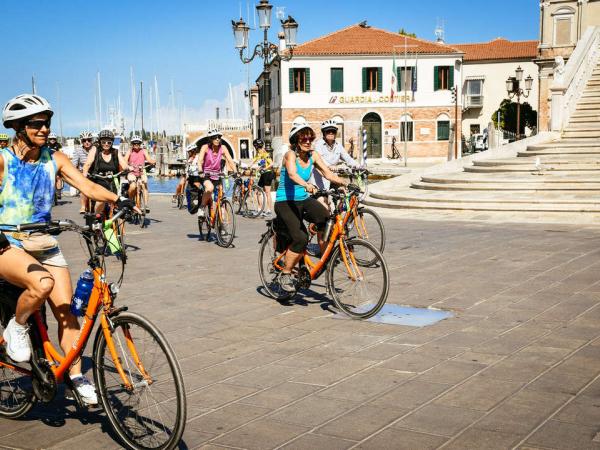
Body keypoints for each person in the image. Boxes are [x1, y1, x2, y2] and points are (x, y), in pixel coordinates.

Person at [0, 93, 133, 405]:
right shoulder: (3, 160)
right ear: (19, 127)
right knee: (42, 283)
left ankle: (75, 375)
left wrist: (118, 199)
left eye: (47, 123)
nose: (45, 128)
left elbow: (86, 186)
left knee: (68, 313)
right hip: (9, 244)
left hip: (44, 243)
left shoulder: (54, 159)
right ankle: (16, 328)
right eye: (37, 124)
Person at [274, 124, 348, 292]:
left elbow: (327, 173)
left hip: (303, 199)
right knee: (300, 237)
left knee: (327, 218)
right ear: (296, 140)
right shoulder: (290, 155)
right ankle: (286, 273)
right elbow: (292, 174)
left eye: (310, 138)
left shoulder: (313, 155)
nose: (308, 142)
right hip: (285, 201)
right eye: (303, 139)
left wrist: (343, 183)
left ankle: (319, 255)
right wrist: (306, 184)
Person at [82, 129, 128, 216]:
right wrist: (84, 173)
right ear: (100, 142)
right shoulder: (95, 150)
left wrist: (129, 167)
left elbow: (123, 164)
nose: (106, 144)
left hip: (113, 181)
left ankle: (111, 221)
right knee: (100, 201)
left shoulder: (115, 152)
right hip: (98, 180)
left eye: (109, 142)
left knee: (115, 203)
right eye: (103, 142)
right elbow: (87, 164)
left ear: (112, 143)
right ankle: (97, 218)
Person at [197, 129, 236, 218]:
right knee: (210, 188)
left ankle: (222, 226)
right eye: (215, 137)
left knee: (221, 198)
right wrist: (200, 170)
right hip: (206, 174)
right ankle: (202, 207)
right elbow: (200, 161)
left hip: (217, 175)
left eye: (219, 137)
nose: (217, 139)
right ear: (210, 139)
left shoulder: (223, 148)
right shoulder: (205, 147)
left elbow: (230, 160)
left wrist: (235, 172)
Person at [313, 120, 358, 191]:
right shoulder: (318, 144)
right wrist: (330, 166)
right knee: (324, 200)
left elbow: (348, 158)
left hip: (334, 177)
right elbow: (320, 159)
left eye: (333, 131)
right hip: (321, 178)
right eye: (328, 131)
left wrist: (358, 166)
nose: (331, 133)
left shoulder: (338, 145)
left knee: (345, 192)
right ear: (324, 133)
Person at [124, 135, 156, 212]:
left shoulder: (144, 151)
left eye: (138, 143)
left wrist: (154, 161)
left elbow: (149, 160)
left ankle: (146, 205)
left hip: (141, 171)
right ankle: (130, 201)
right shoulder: (129, 151)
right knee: (132, 186)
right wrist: (128, 166)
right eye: (134, 143)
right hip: (132, 172)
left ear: (140, 144)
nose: (136, 145)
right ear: (132, 144)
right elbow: (124, 161)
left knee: (144, 184)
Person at [250, 138, 274, 218]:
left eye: (255, 146)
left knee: (267, 192)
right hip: (263, 174)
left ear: (256, 146)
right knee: (258, 192)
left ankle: (269, 210)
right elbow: (254, 161)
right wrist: (248, 167)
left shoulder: (264, 152)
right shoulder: (258, 153)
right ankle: (259, 209)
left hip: (267, 173)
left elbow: (271, 163)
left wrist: (264, 168)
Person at [71, 130, 94, 213]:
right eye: (84, 140)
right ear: (82, 142)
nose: (87, 142)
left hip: (95, 173)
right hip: (83, 174)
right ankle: (83, 206)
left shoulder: (95, 149)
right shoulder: (78, 150)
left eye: (89, 140)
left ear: (92, 141)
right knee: (83, 189)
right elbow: (74, 164)